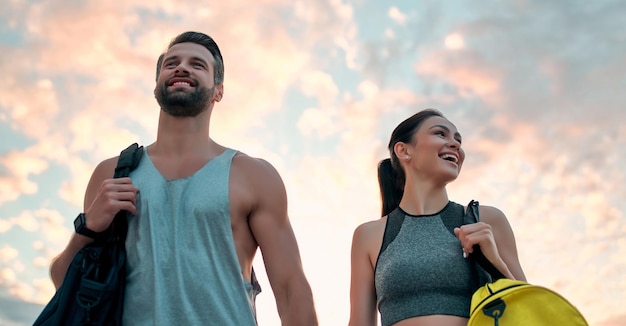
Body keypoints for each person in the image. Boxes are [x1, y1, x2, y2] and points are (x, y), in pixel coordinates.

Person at [50, 31, 318, 325]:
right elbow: (64, 281)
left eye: (197, 64)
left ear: (218, 90)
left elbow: (292, 290)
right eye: (171, 63)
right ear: (156, 86)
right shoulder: (111, 174)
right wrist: (88, 227)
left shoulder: (254, 175)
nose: (181, 68)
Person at [348, 109, 526, 326]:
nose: (455, 144)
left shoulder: (487, 220)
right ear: (404, 151)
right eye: (441, 134)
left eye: (458, 139)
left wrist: (495, 263)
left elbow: (527, 313)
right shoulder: (368, 235)